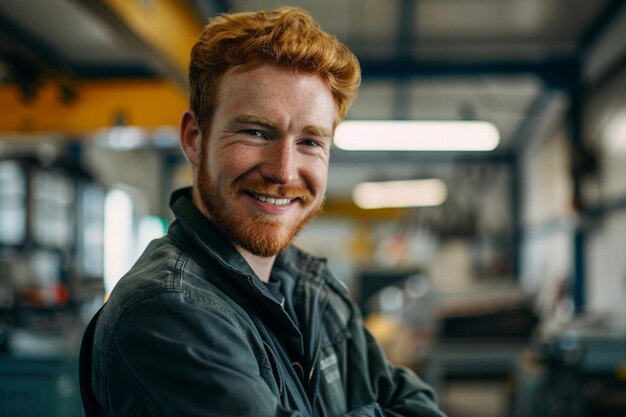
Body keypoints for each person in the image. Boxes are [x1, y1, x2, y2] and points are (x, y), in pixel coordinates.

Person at [82, 6, 447, 417]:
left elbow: (421, 405)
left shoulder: (312, 290)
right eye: (255, 132)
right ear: (194, 139)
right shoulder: (166, 312)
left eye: (310, 142)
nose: (284, 170)